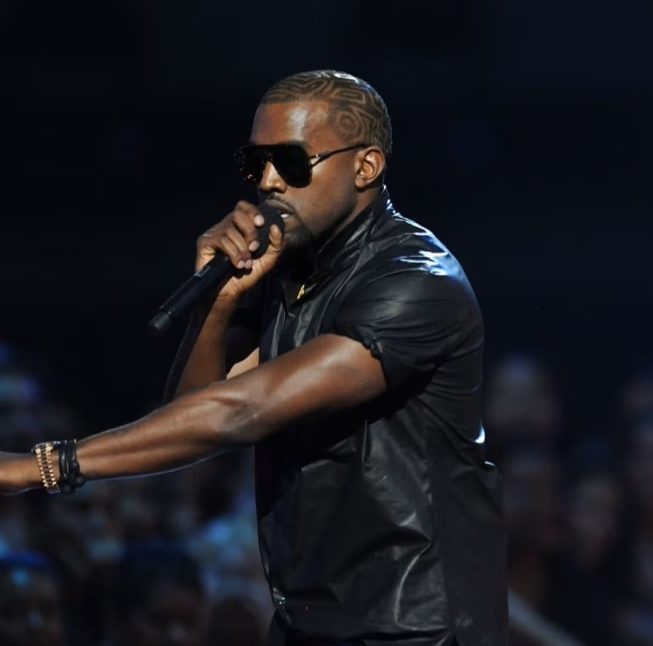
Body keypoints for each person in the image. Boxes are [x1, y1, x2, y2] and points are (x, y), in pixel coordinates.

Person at [0, 69, 507, 645]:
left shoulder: (416, 283)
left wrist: (42, 466)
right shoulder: (284, 271)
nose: (267, 181)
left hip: (413, 623)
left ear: (365, 166)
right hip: (306, 618)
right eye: (255, 162)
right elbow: (194, 418)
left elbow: (242, 412)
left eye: (291, 162)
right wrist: (218, 303)